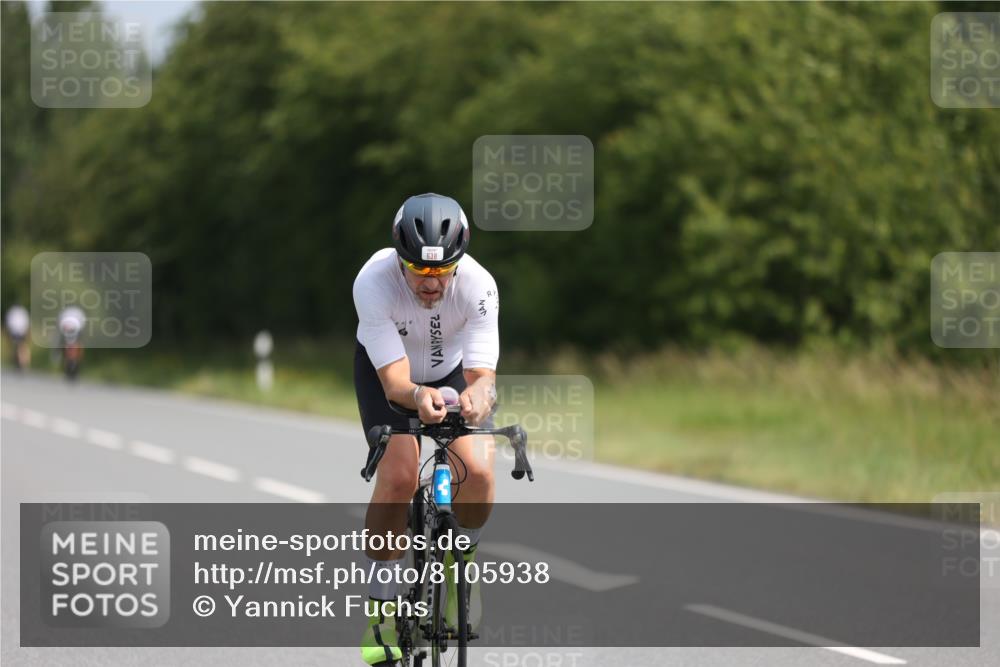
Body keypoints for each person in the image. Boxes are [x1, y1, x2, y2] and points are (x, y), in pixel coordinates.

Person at [353, 193, 499, 665]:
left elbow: (483, 379)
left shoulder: (479, 285)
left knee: (477, 471)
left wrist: (478, 402)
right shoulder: (373, 282)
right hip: (389, 377)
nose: (431, 283)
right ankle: (380, 610)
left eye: (441, 271)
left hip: (452, 374)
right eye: (419, 271)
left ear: (459, 263)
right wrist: (417, 397)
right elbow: (395, 382)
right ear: (400, 260)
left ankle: (464, 572)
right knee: (397, 477)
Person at [58, 306, 86, 380]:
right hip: (69, 330)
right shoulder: (73, 312)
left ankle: (76, 363)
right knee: (68, 347)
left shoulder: (68, 312)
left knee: (77, 346)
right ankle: (68, 364)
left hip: (74, 330)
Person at [5, 305, 31, 370]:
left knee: (19, 347)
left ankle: (22, 362)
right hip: (20, 331)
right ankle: (22, 361)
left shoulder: (14, 311)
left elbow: (9, 323)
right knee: (22, 346)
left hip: (15, 331)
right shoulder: (22, 311)